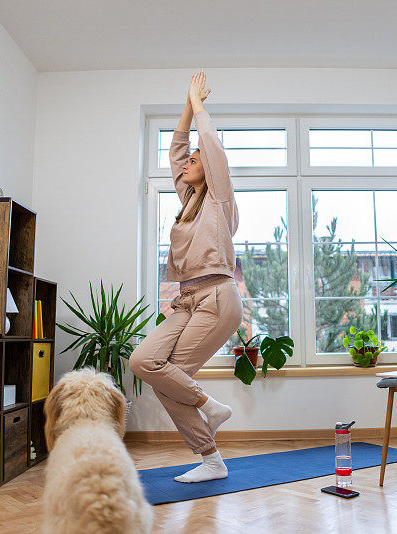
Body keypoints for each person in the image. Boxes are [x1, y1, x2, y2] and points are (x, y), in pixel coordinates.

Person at [130, 71, 244, 483]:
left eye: (197, 162)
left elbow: (208, 149)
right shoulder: (191, 201)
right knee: (146, 363)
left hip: (217, 297)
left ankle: (210, 458)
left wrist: (199, 106)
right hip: (186, 299)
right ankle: (209, 410)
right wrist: (184, 104)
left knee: (169, 378)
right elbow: (179, 153)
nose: (190, 163)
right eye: (191, 163)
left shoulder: (218, 197)